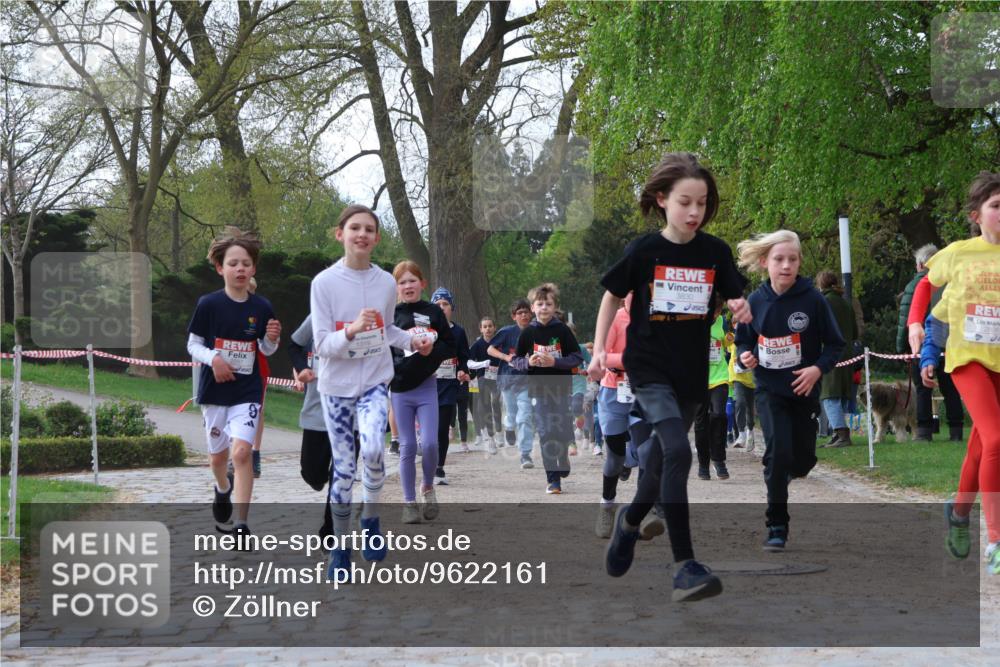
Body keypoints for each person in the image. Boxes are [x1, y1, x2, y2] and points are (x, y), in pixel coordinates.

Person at [589, 152, 751, 602]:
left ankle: (629, 521)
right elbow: (610, 296)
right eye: (685, 202)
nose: (694, 212)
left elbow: (739, 301)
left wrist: (742, 306)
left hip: (691, 372)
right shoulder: (644, 251)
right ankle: (684, 566)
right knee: (679, 449)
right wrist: (601, 348)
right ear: (662, 199)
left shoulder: (715, 253)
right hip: (648, 369)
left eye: (702, 203)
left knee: (660, 463)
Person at [310, 204, 431, 580]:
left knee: (377, 450)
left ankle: (372, 520)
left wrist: (414, 341)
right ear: (340, 234)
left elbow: (389, 332)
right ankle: (340, 549)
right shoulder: (323, 283)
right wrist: (350, 330)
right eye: (354, 228)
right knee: (344, 470)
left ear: (377, 239)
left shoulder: (384, 283)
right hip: (336, 389)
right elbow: (321, 345)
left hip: (376, 382)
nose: (362, 235)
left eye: (369, 230)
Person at [734, 230, 845, 553]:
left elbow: (836, 344)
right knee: (778, 453)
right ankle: (777, 525)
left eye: (792, 260)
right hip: (769, 390)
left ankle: (783, 473)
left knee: (803, 461)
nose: (786, 266)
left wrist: (816, 369)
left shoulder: (813, 300)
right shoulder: (755, 301)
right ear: (765, 262)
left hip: (803, 390)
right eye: (779, 259)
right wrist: (745, 354)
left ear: (799, 263)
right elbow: (743, 339)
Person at [926, 171, 1000, 575]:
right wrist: (918, 329)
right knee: (997, 438)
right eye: (996, 206)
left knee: (981, 447)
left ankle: (957, 514)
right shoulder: (960, 252)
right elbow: (925, 283)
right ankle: (996, 540)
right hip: (967, 359)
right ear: (977, 215)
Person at [186, 227, 281, 544]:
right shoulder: (208, 304)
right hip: (215, 391)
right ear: (220, 268)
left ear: (253, 269)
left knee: (241, 453)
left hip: (247, 391)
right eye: (233, 263)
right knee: (218, 458)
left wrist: (271, 339)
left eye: (245, 264)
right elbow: (193, 345)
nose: (240, 269)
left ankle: (241, 524)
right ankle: (222, 488)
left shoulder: (262, 307)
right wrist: (214, 358)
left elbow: (266, 351)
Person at [391, 261, 456, 522]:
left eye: (412, 281)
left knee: (429, 444)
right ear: (396, 288)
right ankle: (409, 503)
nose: (408, 286)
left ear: (422, 284)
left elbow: (450, 345)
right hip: (400, 389)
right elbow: (383, 348)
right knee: (407, 446)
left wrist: (432, 352)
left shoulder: (433, 312)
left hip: (428, 386)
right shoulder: (392, 315)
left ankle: (427, 487)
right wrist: (398, 367)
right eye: (402, 282)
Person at [288, 314, 360, 538]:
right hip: (317, 408)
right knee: (312, 472)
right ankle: (318, 479)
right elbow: (294, 345)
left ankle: (330, 532)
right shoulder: (318, 313)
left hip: (353, 410)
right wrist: (301, 368)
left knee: (341, 474)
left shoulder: (368, 315)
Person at [511, 283, 583, 494]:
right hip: (538, 390)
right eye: (539, 304)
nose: (544, 308)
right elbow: (515, 359)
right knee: (545, 431)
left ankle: (562, 459)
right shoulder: (528, 332)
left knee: (560, 429)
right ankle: (553, 480)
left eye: (548, 304)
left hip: (561, 388)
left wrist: (555, 362)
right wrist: (529, 363)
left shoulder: (562, 330)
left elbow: (576, 357)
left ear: (555, 307)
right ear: (533, 308)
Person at [903, 245, 967, 442]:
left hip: (924, 344)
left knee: (923, 389)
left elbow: (905, 317)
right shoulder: (952, 282)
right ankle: (956, 430)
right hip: (948, 343)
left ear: (922, 264)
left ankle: (924, 431)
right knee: (951, 389)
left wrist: (902, 348)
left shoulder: (915, 285)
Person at [430, 287, 471, 485]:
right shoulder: (426, 330)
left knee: (442, 427)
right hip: (427, 385)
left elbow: (464, 358)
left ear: (451, 307)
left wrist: (464, 371)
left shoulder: (459, 332)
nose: (442, 307)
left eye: (445, 304)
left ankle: (439, 468)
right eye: (437, 304)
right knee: (430, 430)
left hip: (448, 386)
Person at [488, 299, 536, 468]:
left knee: (525, 416)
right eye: (519, 313)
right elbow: (490, 349)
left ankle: (525, 454)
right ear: (514, 316)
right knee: (512, 413)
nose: (523, 315)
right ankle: (509, 426)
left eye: (526, 312)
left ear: (531, 313)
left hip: (527, 380)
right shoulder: (507, 332)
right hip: (508, 379)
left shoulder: (536, 331)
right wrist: (506, 357)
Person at [816, 271, 859, 448]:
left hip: (830, 354)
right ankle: (837, 433)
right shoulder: (846, 303)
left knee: (829, 395)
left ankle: (842, 434)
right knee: (841, 394)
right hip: (847, 353)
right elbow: (855, 332)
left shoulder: (823, 302)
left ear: (821, 285)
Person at [693, 304, 731, 480]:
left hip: (719, 377)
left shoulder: (723, 323)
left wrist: (731, 338)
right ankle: (703, 463)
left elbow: (729, 343)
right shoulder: (693, 322)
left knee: (719, 415)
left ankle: (719, 458)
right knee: (701, 423)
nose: (713, 315)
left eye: (716, 312)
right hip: (699, 379)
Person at [469, 316, 504, 454]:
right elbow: (469, 362)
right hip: (483, 378)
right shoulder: (477, 345)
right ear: (481, 329)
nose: (488, 329)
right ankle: (491, 438)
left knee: (496, 403)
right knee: (486, 407)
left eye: (490, 326)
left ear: (494, 328)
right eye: (485, 326)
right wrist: (482, 364)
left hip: (498, 378)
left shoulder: (500, 343)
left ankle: (500, 431)